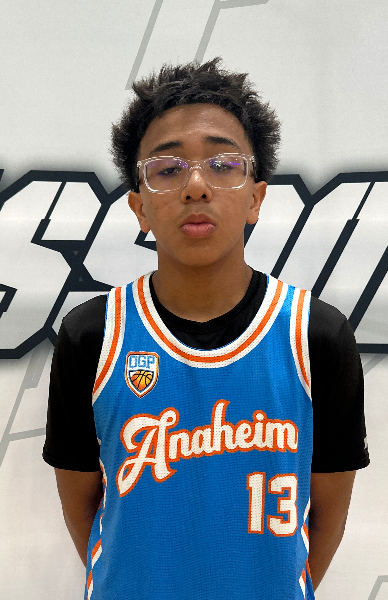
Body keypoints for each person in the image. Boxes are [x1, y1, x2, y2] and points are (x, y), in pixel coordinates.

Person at [43, 58, 369, 599]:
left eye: (222, 163)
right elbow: (85, 508)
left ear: (256, 197)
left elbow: (326, 517)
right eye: (168, 169)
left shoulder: (317, 336)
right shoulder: (92, 336)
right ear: (139, 207)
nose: (196, 185)